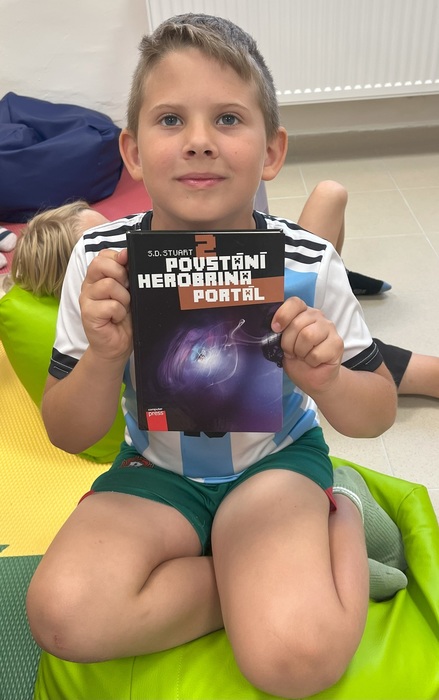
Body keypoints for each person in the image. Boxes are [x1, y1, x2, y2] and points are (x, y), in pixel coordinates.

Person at [26, 15, 407, 698]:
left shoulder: (307, 260)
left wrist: (325, 379)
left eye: (228, 118)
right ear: (132, 152)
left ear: (271, 151)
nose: (199, 140)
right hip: (156, 470)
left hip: (273, 464)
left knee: (297, 662)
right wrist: (105, 357)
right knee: (61, 616)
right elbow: (67, 432)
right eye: (170, 119)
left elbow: (375, 410)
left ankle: (343, 508)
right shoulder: (100, 260)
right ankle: (245, 579)